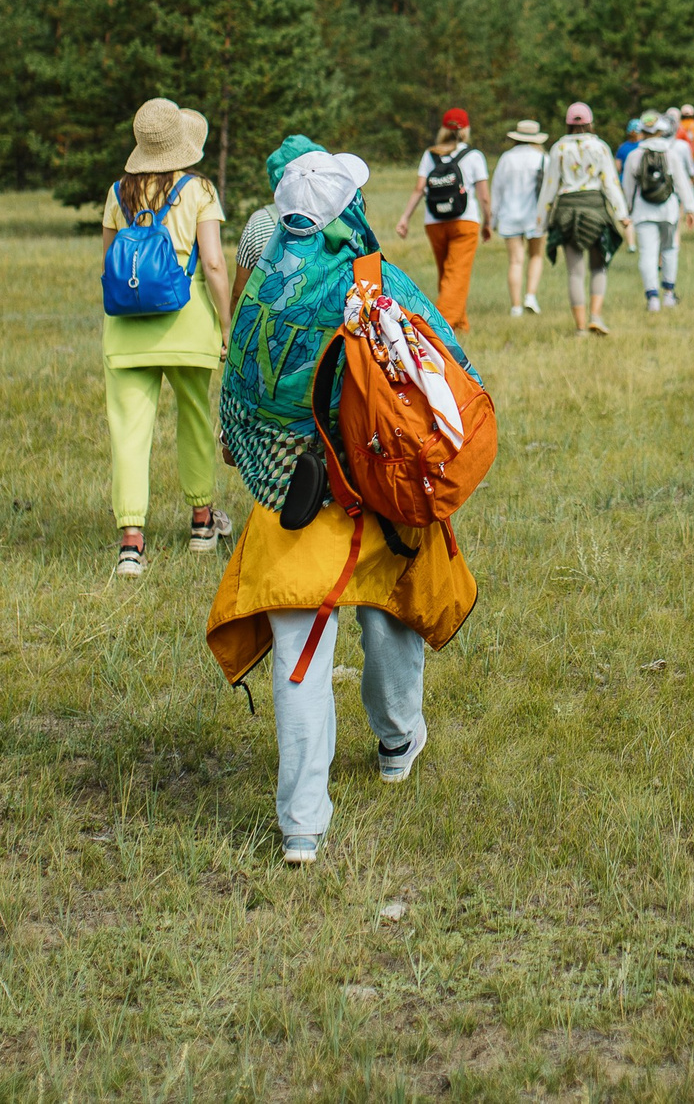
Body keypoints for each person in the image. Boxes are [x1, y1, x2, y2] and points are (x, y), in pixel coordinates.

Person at [210, 142, 477, 867]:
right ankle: (397, 741)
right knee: (391, 611)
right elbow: (451, 362)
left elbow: (236, 389)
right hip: (376, 488)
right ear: (346, 212)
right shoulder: (373, 278)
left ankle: (301, 825)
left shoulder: (265, 282)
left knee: (299, 656)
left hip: (288, 495)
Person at [99, 99, 237, 578]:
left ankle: (131, 542)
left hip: (126, 332)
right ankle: (201, 524)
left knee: (129, 433)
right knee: (195, 418)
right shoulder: (198, 189)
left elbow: (109, 265)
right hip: (187, 322)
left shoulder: (117, 193)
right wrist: (224, 323)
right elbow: (215, 264)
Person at [536, 101, 633, 336]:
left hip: (567, 212)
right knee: (599, 266)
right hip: (596, 211)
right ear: (590, 123)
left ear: (568, 124)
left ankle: (580, 327)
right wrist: (622, 214)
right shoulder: (600, 147)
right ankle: (596, 317)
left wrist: (540, 222)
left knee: (575, 272)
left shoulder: (558, 148)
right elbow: (610, 182)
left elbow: (549, 187)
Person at [394, 109, 491, 335]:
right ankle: (439, 327)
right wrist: (488, 221)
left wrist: (405, 218)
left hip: (434, 221)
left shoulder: (430, 155)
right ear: (465, 130)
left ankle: (460, 323)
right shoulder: (474, 156)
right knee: (456, 274)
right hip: (464, 220)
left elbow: (420, 188)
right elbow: (484, 196)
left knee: (448, 274)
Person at [625, 111, 694, 309]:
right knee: (669, 249)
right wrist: (690, 208)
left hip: (643, 211)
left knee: (647, 254)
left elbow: (628, 187)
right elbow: (682, 183)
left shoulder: (634, 156)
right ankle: (668, 294)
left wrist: (626, 211)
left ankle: (652, 299)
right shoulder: (670, 153)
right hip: (669, 210)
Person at [491, 119, 548, 316]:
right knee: (536, 255)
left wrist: (492, 219)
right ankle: (530, 296)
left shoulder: (507, 158)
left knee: (516, 261)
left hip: (510, 215)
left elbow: (496, 189)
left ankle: (516, 307)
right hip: (535, 215)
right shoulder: (542, 158)